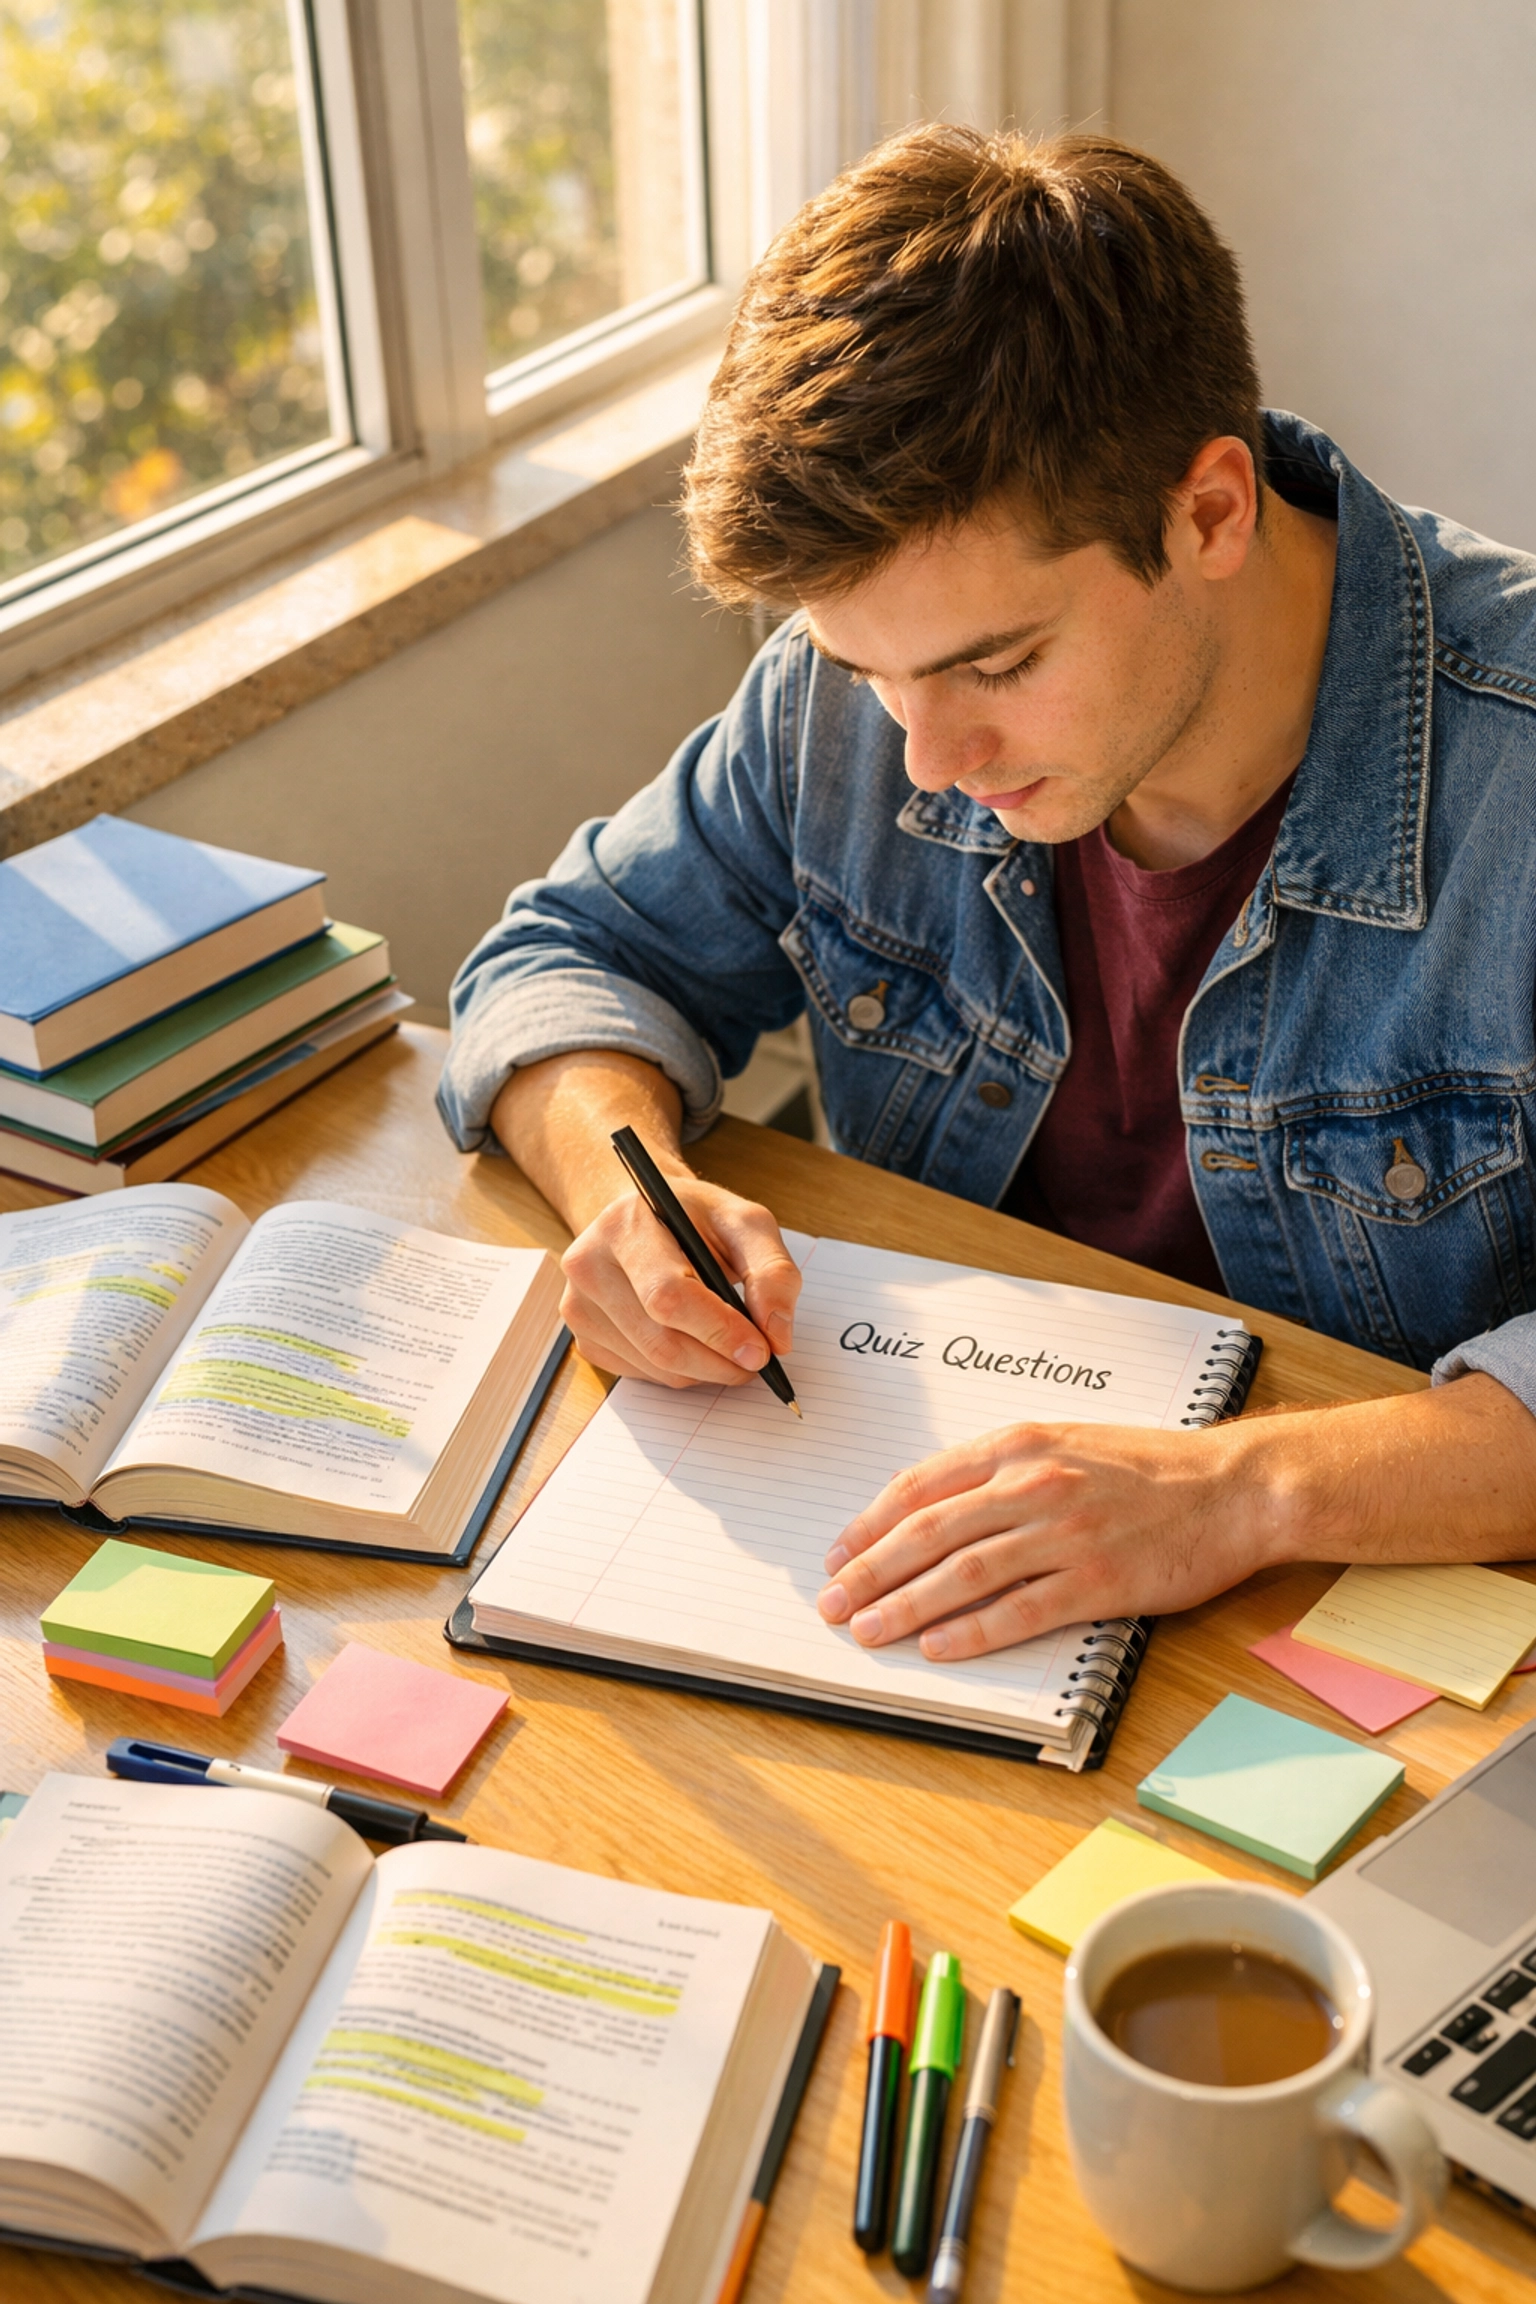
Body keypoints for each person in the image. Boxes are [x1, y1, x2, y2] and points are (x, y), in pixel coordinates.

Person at [438, 126, 1536, 1663]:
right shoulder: (861, 703)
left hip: (1357, 1617)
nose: (931, 756)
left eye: (998, 665)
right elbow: (574, 955)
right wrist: (631, 1196)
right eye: (866, 670)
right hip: (927, 1573)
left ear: (1211, 512)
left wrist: (1241, 1493)